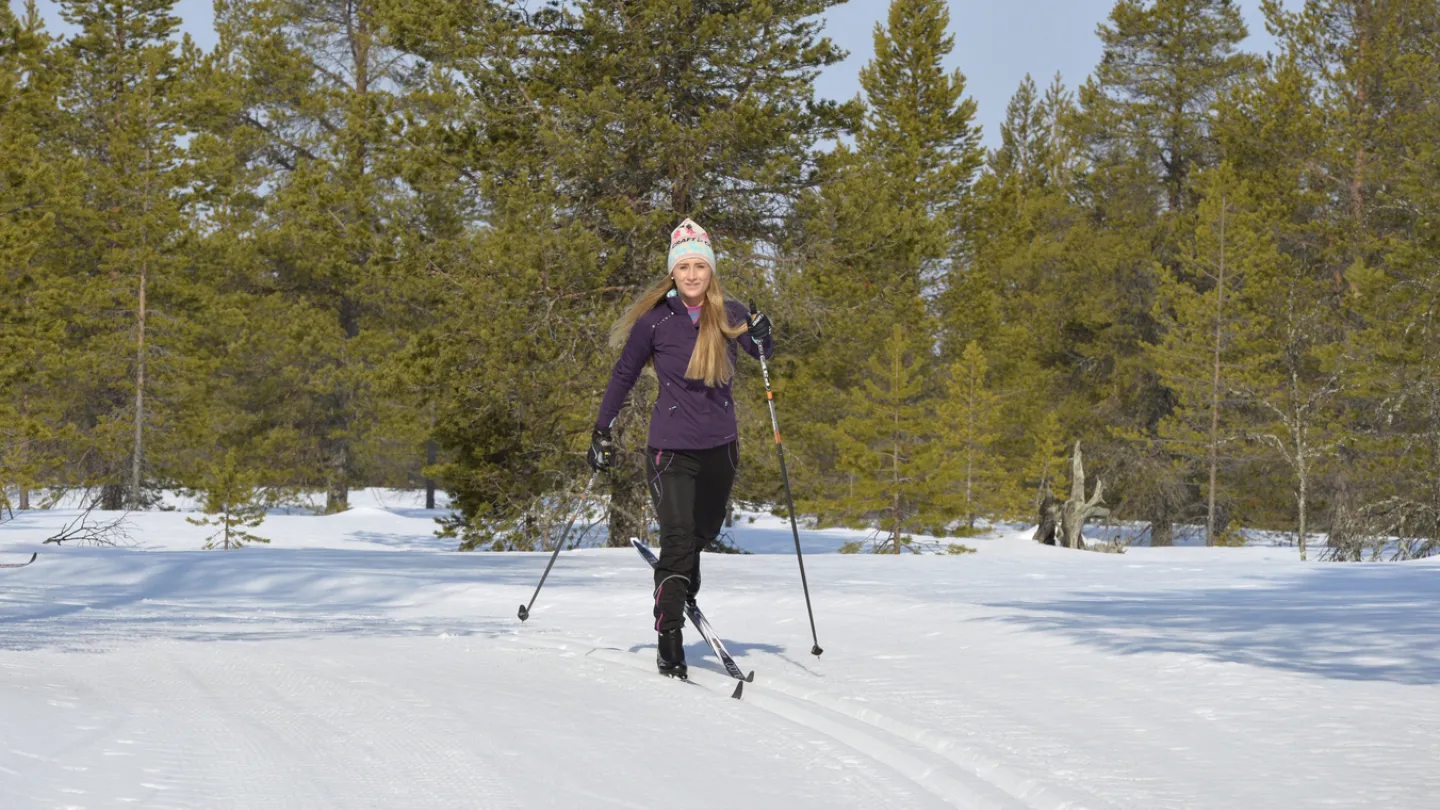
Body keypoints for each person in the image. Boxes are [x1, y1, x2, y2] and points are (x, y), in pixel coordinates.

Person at [587, 218, 773, 679]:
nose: (692, 275)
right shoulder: (656, 322)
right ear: (673, 272)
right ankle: (669, 638)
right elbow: (623, 376)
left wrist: (765, 332)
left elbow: (760, 351)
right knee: (675, 542)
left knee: (699, 533)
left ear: (710, 269)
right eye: (684, 267)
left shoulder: (729, 313)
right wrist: (600, 430)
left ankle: (682, 576)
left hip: (721, 449)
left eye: (699, 266)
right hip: (670, 450)